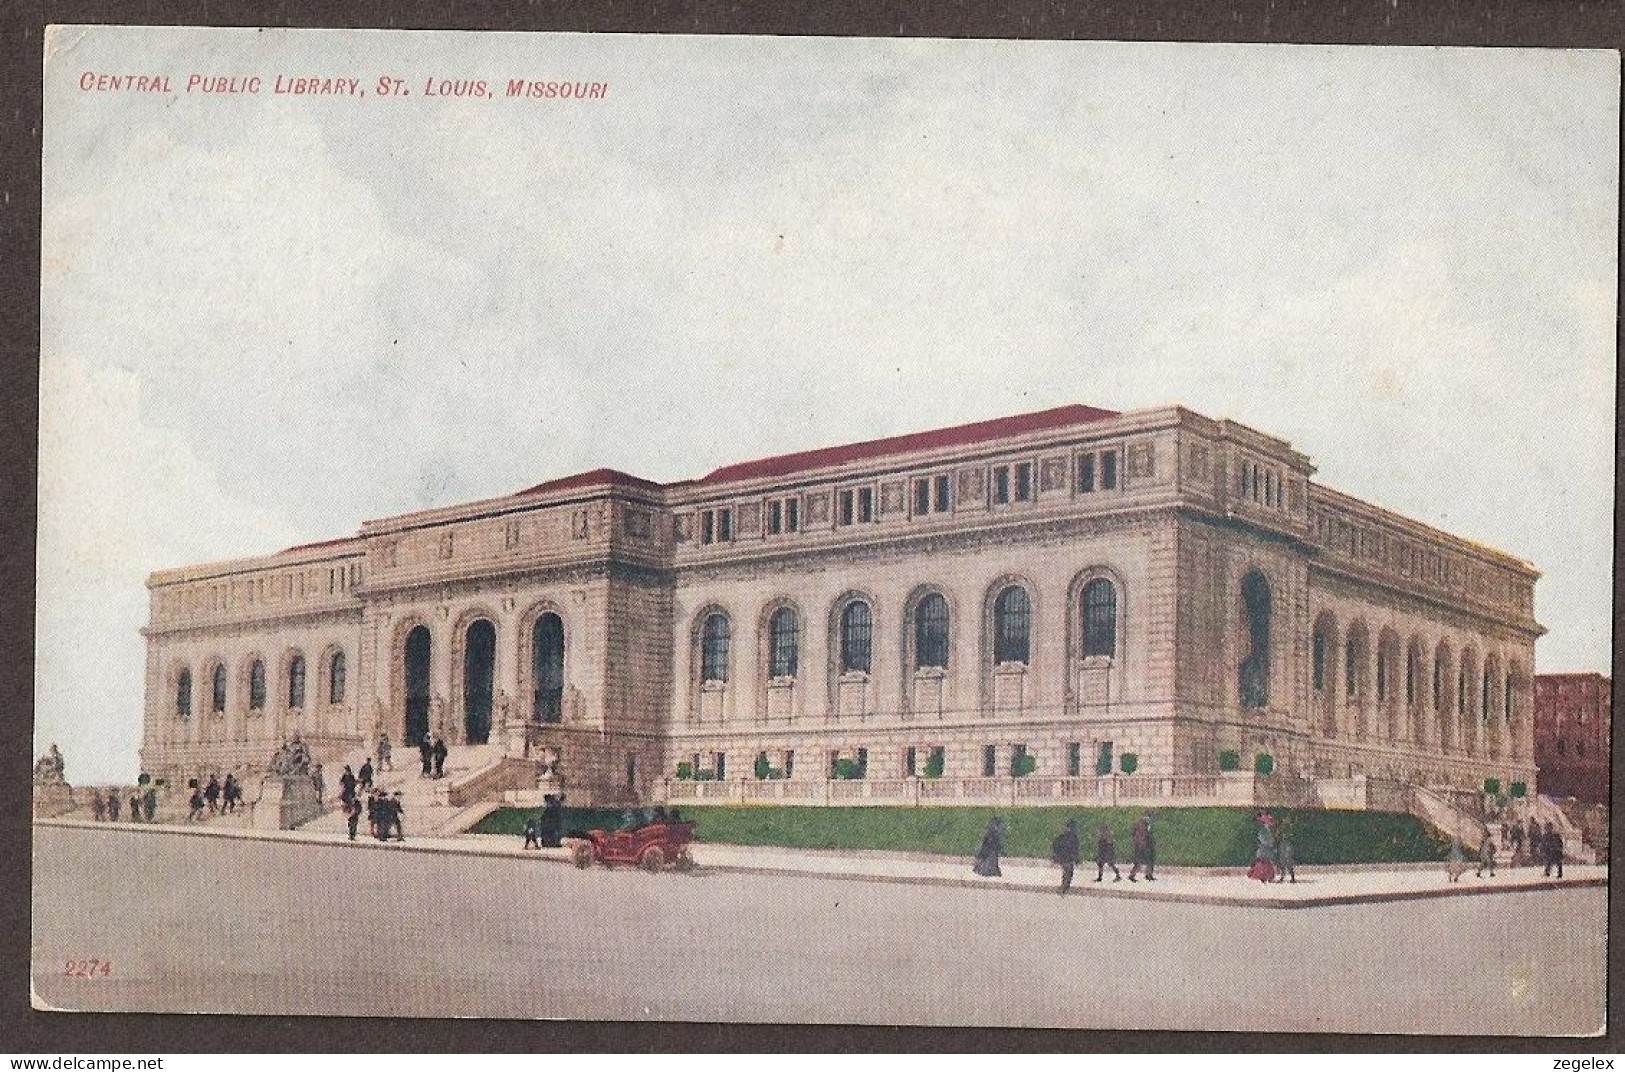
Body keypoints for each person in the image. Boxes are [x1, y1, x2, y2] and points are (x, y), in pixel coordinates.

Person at [1051, 819, 1081, 895]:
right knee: (1069, 872)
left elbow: (1056, 845)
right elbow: (1075, 849)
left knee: (1066, 872)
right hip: (1068, 857)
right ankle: (1065, 887)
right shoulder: (1073, 837)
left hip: (1063, 857)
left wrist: (1055, 855)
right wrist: (1077, 858)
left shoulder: (1063, 836)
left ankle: (1064, 887)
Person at [1248, 813, 1277, 883]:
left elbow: (1269, 839)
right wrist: (1270, 843)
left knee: (1266, 863)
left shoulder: (1267, 830)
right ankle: (1264, 877)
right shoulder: (1263, 831)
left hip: (1266, 849)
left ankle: (1267, 877)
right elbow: (1264, 839)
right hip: (1265, 849)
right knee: (1264, 863)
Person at [1129, 812, 1157, 882]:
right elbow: (1143, 836)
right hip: (1143, 846)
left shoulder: (1141, 828)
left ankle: (1148, 874)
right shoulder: (1142, 828)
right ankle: (1133, 875)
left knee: (1148, 861)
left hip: (1144, 845)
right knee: (1142, 861)